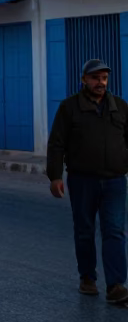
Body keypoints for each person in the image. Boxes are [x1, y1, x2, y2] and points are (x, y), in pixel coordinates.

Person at [46, 58, 128, 304]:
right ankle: (87, 279)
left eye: (103, 78)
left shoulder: (121, 108)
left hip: (114, 181)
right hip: (82, 180)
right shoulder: (69, 108)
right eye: (95, 78)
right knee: (84, 231)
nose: (100, 83)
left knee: (114, 231)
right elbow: (57, 143)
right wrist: (55, 176)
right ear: (84, 80)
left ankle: (116, 285)